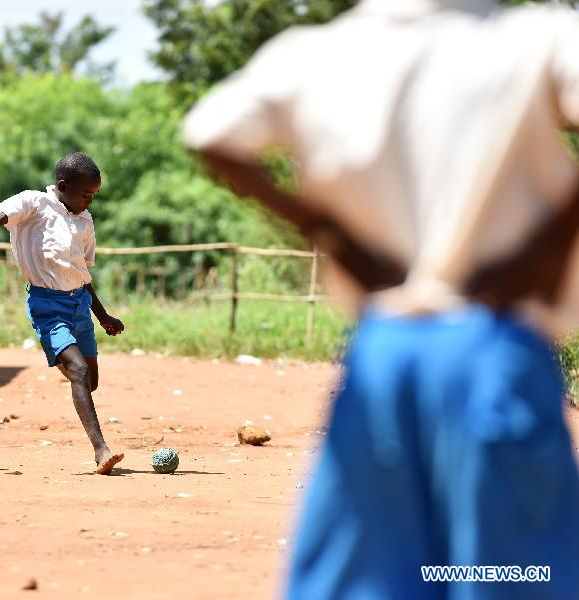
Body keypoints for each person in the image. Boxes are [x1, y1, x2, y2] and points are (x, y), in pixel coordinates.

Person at [182, 0, 579, 597]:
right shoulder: (538, 38)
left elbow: (208, 133)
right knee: (511, 574)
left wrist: (333, 235)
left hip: (381, 352)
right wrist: (546, 247)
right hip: (496, 345)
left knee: (366, 577)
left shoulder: (315, 53)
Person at [0, 152, 126, 475]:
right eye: (86, 195)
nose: (90, 202)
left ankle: (69, 363)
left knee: (91, 381)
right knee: (78, 370)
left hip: (79, 304)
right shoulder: (33, 203)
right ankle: (101, 450)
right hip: (47, 305)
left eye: (94, 196)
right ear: (63, 186)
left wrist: (103, 316)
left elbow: (82, 275)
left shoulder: (85, 222)